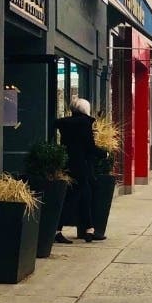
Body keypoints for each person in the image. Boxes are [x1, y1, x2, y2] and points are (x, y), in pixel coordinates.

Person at [54, 98, 98, 243]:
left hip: (67, 163)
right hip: (80, 165)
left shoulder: (64, 123)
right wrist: (105, 153)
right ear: (85, 109)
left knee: (86, 195)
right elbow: (89, 147)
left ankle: (89, 229)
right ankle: (57, 230)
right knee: (71, 198)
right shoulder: (85, 124)